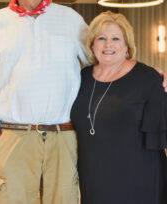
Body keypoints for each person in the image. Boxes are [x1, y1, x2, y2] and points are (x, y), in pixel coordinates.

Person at [0, 0, 88, 204]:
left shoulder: (70, 19)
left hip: (63, 135)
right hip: (14, 135)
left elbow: (103, 59)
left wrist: (138, 73)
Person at [71, 11, 167, 204]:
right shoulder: (80, 78)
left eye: (116, 38)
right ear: (92, 44)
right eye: (101, 38)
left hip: (138, 179)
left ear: (127, 46)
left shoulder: (149, 79)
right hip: (94, 177)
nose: (108, 45)